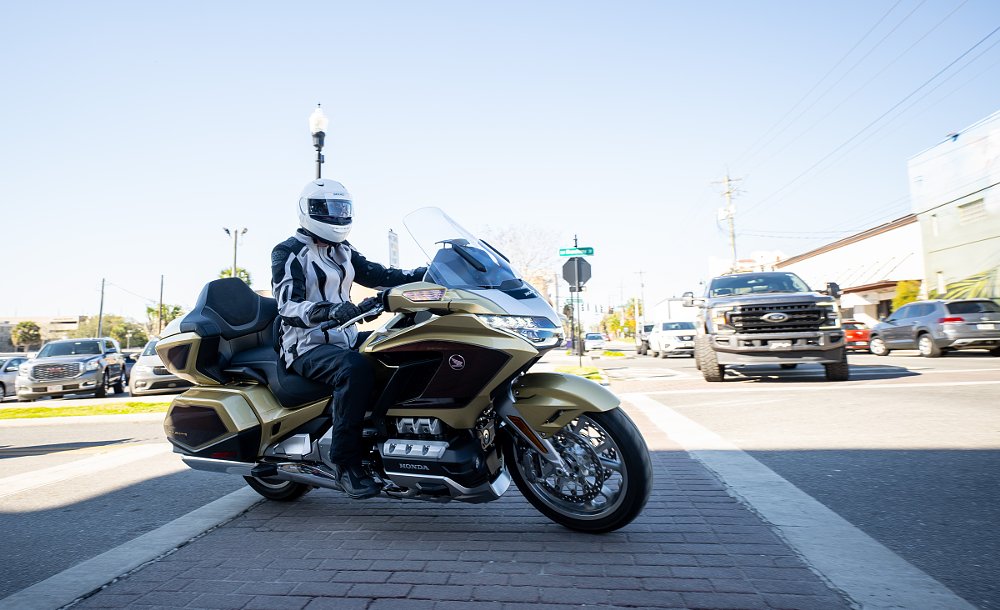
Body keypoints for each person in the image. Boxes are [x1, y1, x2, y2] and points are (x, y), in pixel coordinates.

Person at [271, 178, 426, 498]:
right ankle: (345, 461)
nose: (336, 216)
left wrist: (427, 273)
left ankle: (397, 439)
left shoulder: (344, 251)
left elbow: (383, 277)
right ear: (307, 210)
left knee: (408, 345)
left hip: (343, 337)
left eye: (342, 209)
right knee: (354, 369)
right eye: (327, 209)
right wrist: (330, 311)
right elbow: (287, 306)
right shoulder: (289, 251)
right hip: (306, 345)